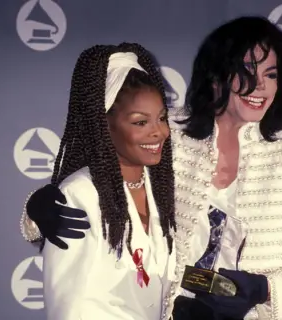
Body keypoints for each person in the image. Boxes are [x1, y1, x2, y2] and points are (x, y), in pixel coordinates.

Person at [20, 16, 282, 320]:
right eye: (247, 70)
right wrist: (40, 209)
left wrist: (265, 289)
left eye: (271, 74)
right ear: (216, 74)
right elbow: (106, 182)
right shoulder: (168, 128)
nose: (260, 86)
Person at [25, 43, 180, 320]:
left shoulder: (163, 188)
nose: (159, 132)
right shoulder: (80, 194)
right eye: (140, 122)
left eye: (161, 118)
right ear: (103, 125)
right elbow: (70, 305)